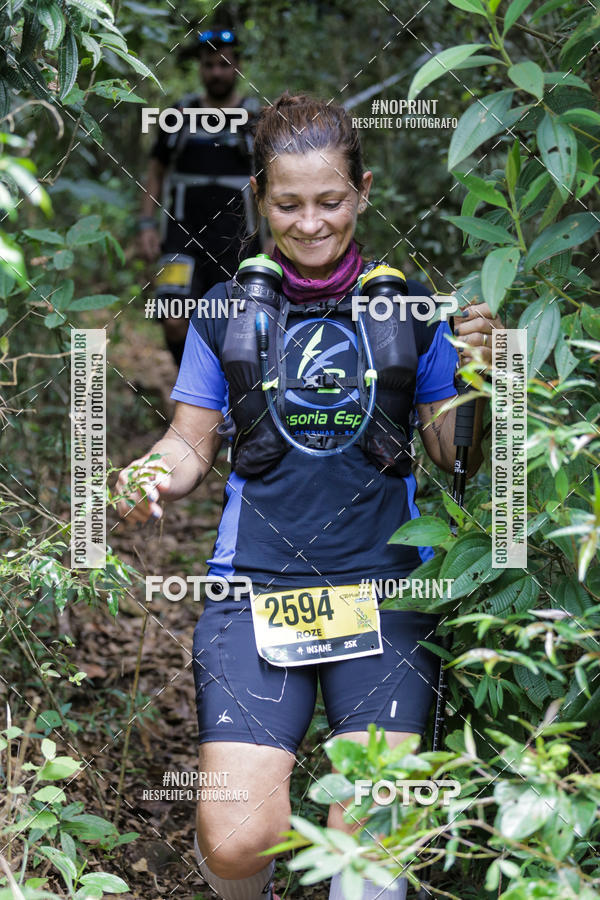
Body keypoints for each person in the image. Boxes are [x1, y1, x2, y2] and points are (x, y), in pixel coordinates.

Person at [117, 93, 501, 900]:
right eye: (288, 203)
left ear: (362, 190)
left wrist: (487, 377)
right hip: (254, 591)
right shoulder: (225, 312)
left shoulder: (410, 310)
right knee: (236, 837)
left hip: (387, 590)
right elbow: (188, 444)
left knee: (372, 850)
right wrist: (147, 477)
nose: (312, 222)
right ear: (261, 198)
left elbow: (452, 455)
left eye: (330, 201)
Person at [138, 26, 262, 366]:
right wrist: (147, 224)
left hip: (238, 243)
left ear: (237, 67)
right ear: (200, 69)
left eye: (224, 64)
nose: (217, 72)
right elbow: (156, 172)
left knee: (236, 327)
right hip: (180, 239)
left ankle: (226, 408)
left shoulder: (257, 120)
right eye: (209, 65)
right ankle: (187, 388)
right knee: (174, 319)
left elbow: (276, 182)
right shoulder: (177, 117)